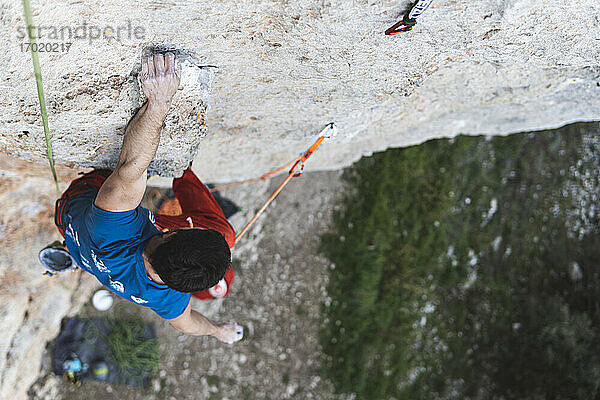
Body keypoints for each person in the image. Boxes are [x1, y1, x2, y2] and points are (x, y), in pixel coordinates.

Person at [53, 52, 243, 344]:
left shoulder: (117, 223)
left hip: (79, 205)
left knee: (124, 181)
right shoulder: (168, 300)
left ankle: (75, 251)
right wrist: (219, 331)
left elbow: (132, 164)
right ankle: (74, 255)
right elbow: (189, 324)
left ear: (171, 234)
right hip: (88, 250)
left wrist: (158, 102)